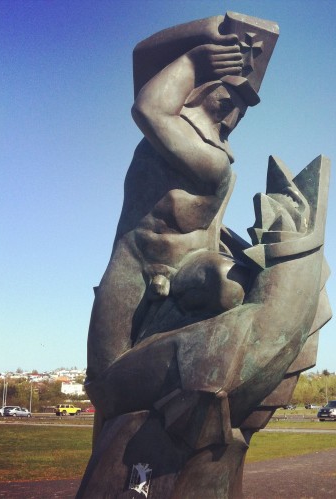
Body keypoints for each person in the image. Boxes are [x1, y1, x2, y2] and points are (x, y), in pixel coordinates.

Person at [86, 39, 259, 384]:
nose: (233, 109)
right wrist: (202, 34)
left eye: (241, 105)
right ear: (201, 92)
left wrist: (195, 57)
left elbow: (148, 108)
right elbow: (145, 64)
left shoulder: (214, 160)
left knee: (227, 283)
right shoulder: (163, 137)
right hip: (131, 260)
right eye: (227, 96)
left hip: (186, 271)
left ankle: (196, 400)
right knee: (103, 376)